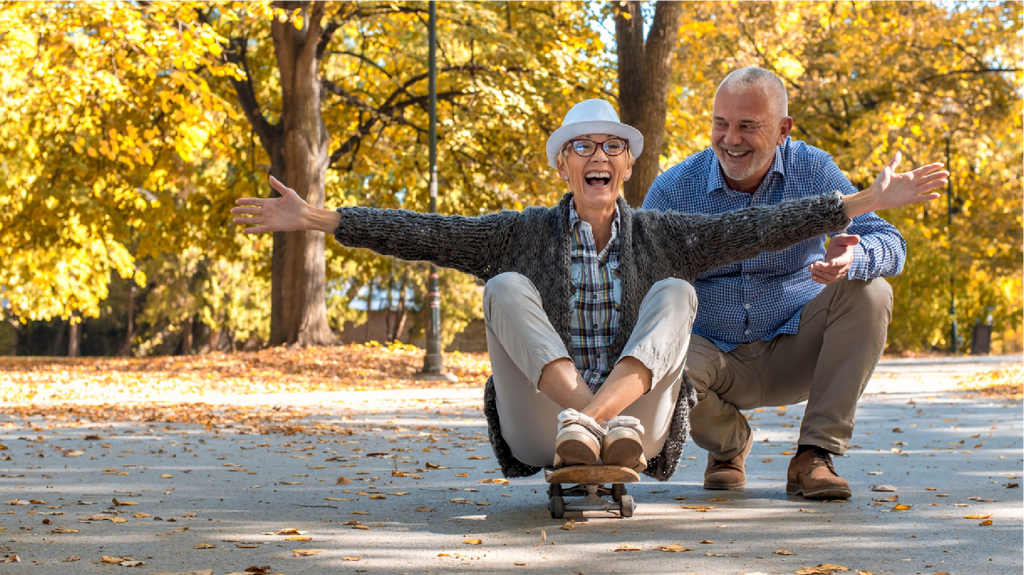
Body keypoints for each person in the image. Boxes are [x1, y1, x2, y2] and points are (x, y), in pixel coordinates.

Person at [233, 98, 946, 483]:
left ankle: (605, 422)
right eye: (582, 146)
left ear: (628, 167)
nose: (597, 155)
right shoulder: (520, 233)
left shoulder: (666, 233)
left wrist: (856, 201)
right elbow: (426, 232)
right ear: (562, 168)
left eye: (611, 146)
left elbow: (769, 226)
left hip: (640, 426)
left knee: (675, 293)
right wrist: (320, 218)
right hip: (545, 424)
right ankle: (586, 419)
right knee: (506, 287)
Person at [642, 67, 924, 499]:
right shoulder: (675, 189)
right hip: (712, 353)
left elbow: (891, 242)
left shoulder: (811, 169)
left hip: (796, 344)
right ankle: (729, 445)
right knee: (652, 359)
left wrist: (854, 258)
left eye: (747, 126)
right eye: (721, 124)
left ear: (782, 130)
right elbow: (641, 281)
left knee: (872, 290)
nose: (730, 139)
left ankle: (814, 455)